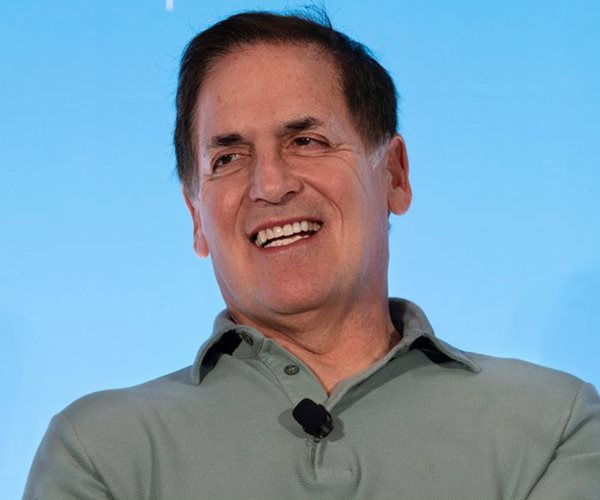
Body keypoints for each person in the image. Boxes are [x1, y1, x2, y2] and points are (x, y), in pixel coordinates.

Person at [24, 10, 600, 499]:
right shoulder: (103, 453)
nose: (270, 185)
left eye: (306, 141)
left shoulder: (552, 426)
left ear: (394, 175)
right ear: (196, 216)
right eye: (228, 158)